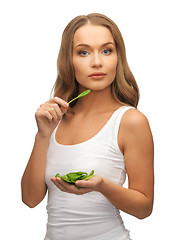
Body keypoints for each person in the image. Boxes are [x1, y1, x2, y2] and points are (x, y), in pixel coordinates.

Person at [21, 13, 154, 240]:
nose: (97, 62)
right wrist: (42, 136)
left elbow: (144, 209)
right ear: (68, 60)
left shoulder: (130, 121)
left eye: (106, 50)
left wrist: (102, 186)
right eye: (83, 52)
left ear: (118, 57)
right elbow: (30, 200)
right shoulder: (55, 118)